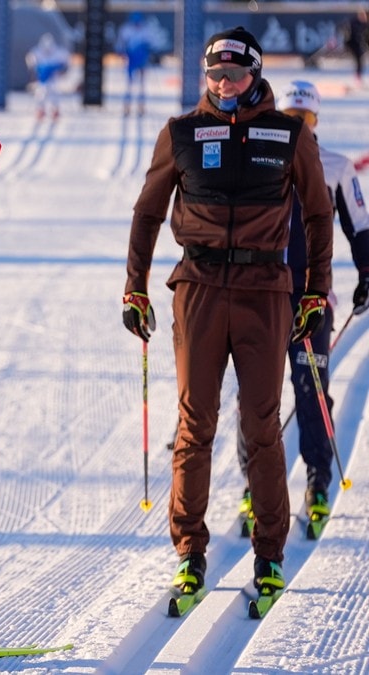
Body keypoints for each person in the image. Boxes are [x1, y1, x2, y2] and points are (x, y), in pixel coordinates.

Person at [121, 27, 332, 611]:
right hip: (200, 287)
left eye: (234, 75)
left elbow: (318, 217)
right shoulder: (182, 132)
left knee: (262, 423)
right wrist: (133, 288)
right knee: (195, 423)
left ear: (255, 75)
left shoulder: (289, 135)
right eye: (214, 74)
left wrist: (317, 291)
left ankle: (270, 555)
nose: (223, 84)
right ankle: (189, 553)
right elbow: (146, 213)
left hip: (266, 289)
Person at [233, 80, 369, 534]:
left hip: (312, 298)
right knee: (255, 398)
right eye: (290, 118)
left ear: (315, 122)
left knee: (312, 392)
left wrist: (366, 273)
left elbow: (360, 226)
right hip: (262, 298)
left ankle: (317, 483)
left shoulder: (334, 167)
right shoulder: (258, 162)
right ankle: (253, 487)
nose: (297, 127)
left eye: (304, 119)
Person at [115, 12, 156, 116]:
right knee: (129, 85)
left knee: (141, 85)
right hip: (131, 61)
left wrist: (148, 53)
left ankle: (141, 107)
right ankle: (127, 107)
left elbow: (150, 45)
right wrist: (122, 54)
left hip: (142, 61)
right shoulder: (126, 30)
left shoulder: (145, 31)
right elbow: (120, 45)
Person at [26, 33, 70, 119]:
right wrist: (36, 71)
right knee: (41, 92)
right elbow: (31, 62)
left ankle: (55, 109)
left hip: (54, 77)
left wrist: (61, 71)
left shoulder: (59, 52)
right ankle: (40, 110)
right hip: (42, 77)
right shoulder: (36, 52)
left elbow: (66, 62)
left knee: (54, 91)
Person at [345, 8, 368, 87]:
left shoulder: (366, 24)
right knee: (358, 60)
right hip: (352, 44)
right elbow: (347, 34)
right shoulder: (353, 22)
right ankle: (357, 78)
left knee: (360, 61)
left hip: (361, 44)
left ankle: (358, 78)